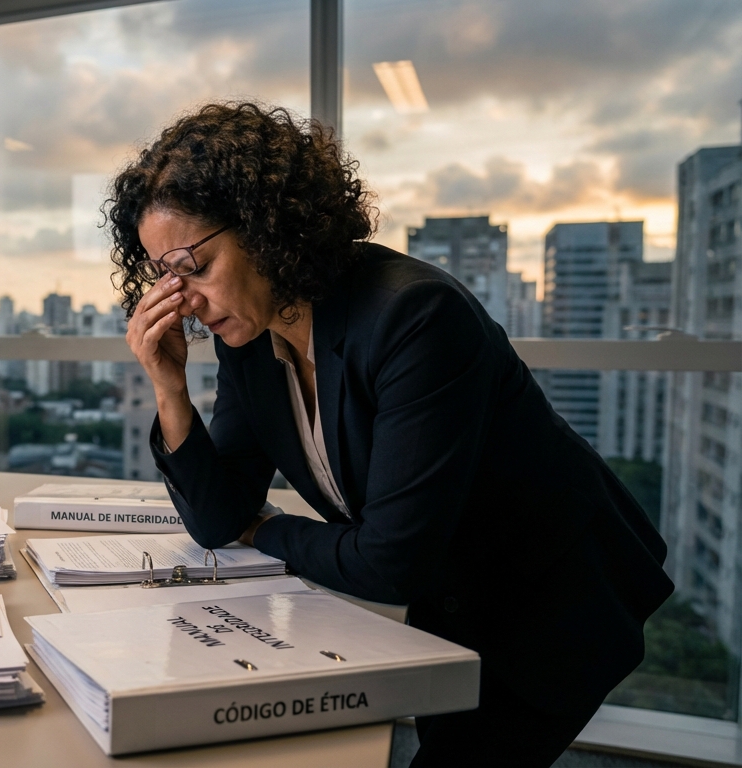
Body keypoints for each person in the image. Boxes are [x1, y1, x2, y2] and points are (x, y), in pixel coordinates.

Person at [114, 103, 673, 767]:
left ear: (267, 228)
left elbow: (389, 562)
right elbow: (214, 517)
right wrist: (169, 387)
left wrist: (261, 529)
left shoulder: (415, 315)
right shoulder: (252, 339)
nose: (185, 301)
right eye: (164, 275)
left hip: (555, 594)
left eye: (194, 266)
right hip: (454, 589)